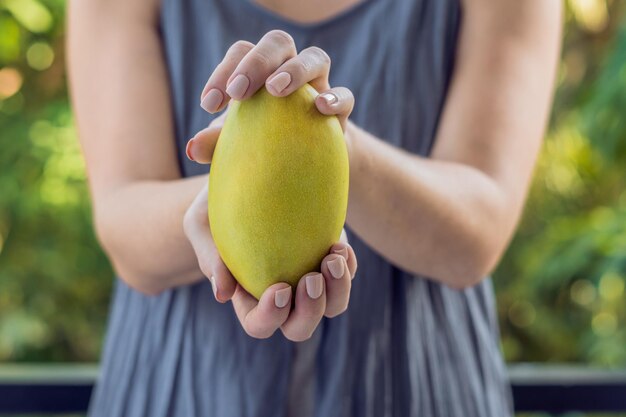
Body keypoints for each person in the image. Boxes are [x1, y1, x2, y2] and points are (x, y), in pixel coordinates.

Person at [67, 0, 562, 415]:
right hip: (181, 386)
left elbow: (477, 232)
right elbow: (122, 218)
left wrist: (333, 152)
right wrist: (238, 196)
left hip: (415, 382)